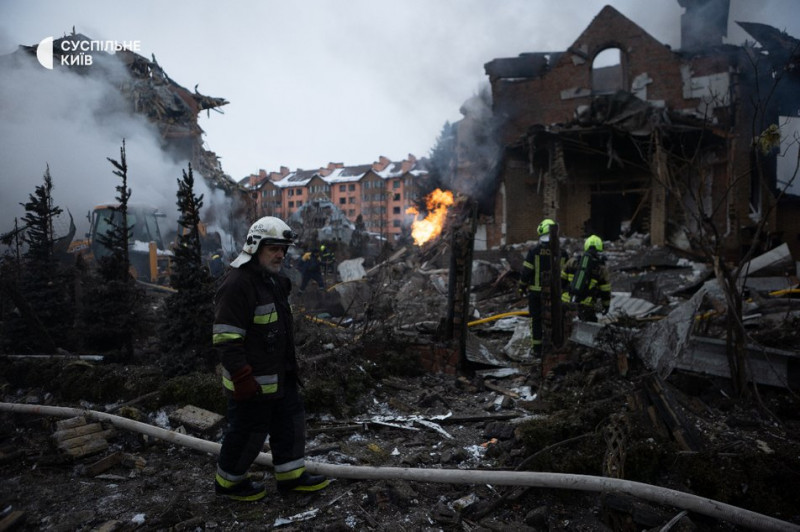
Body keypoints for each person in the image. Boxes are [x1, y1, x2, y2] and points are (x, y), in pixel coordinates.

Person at [212, 216, 329, 501]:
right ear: (255, 246)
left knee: (290, 424)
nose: (280, 254)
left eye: (283, 249)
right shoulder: (238, 283)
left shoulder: (272, 281)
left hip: (280, 375)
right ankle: (228, 485)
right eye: (273, 248)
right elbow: (226, 339)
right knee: (247, 434)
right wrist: (242, 378)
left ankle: (291, 479)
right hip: (252, 381)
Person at [518, 219, 568, 359]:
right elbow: (567, 275)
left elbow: (526, 272)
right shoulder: (562, 253)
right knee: (556, 318)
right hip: (556, 294)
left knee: (536, 320)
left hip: (536, 293)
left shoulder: (534, 251)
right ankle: (555, 346)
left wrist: (522, 286)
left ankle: (537, 349)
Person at [562, 234, 611, 322]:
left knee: (563, 326)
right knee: (588, 330)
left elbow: (561, 281)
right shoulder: (600, 268)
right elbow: (605, 291)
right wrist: (606, 306)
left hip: (566, 302)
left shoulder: (572, 262)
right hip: (586, 305)